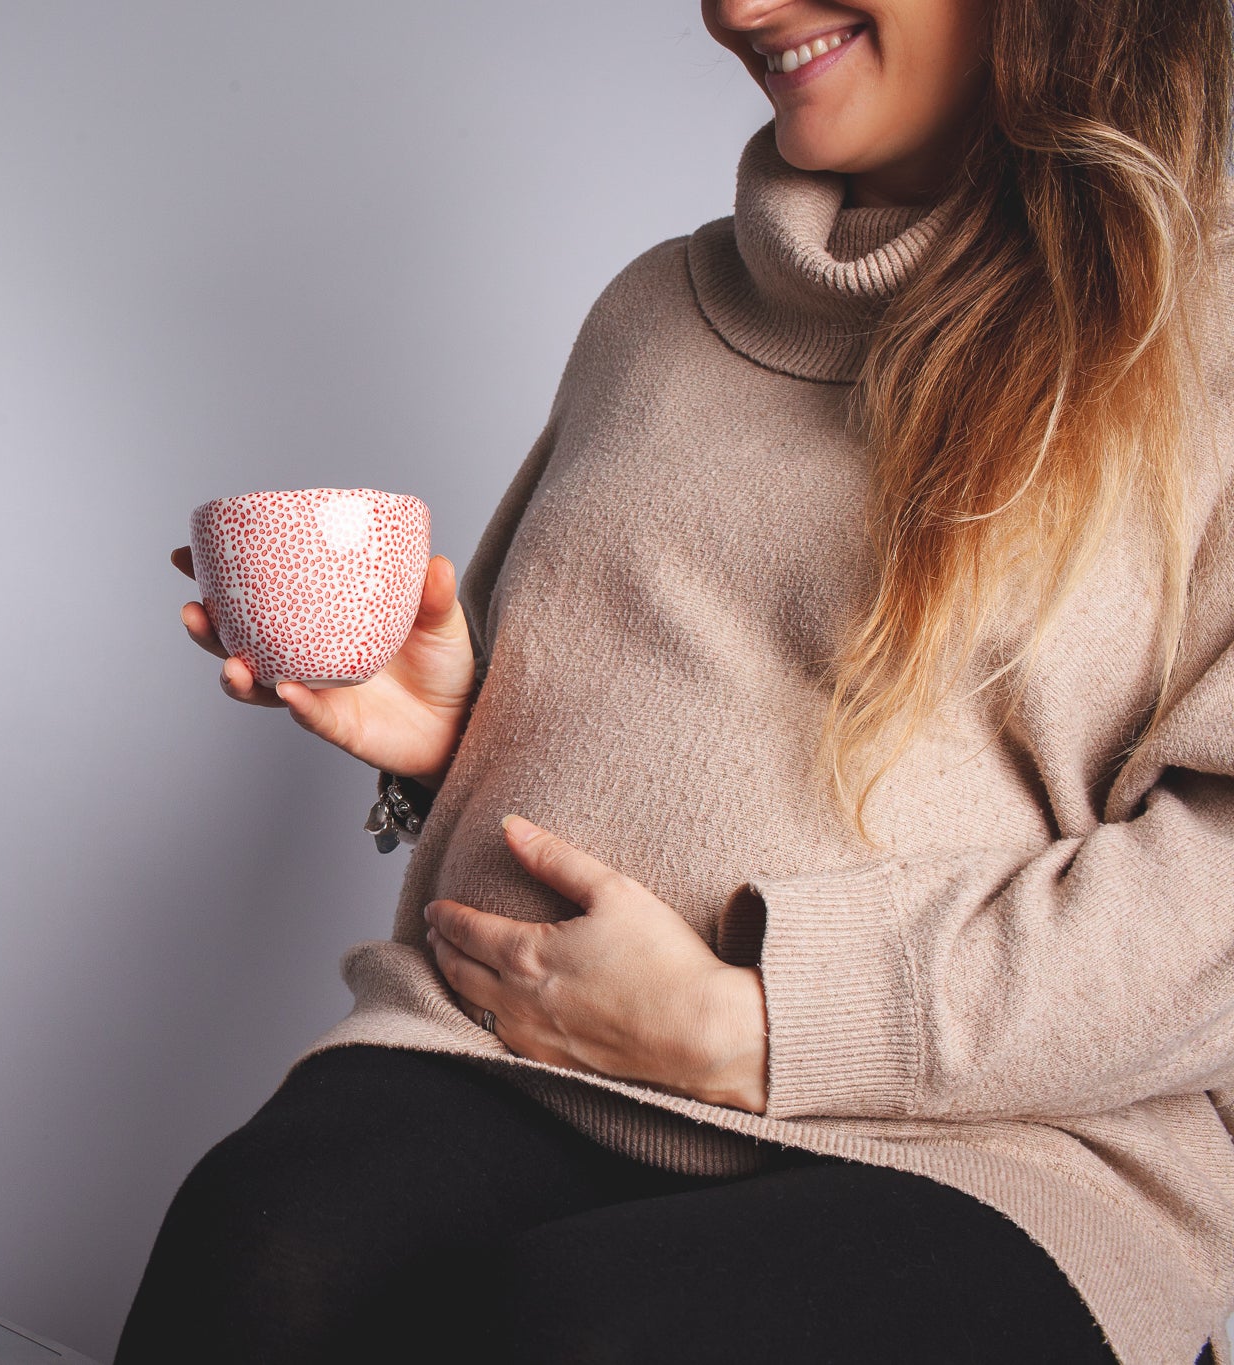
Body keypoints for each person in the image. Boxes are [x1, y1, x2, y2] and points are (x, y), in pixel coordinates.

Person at [122, 0, 1234, 1361]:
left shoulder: (1203, 348)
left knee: (583, 1333)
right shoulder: (658, 311)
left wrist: (756, 1027)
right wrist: (451, 744)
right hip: (533, 1055)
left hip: (1005, 1144)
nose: (735, 8)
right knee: (259, 1243)